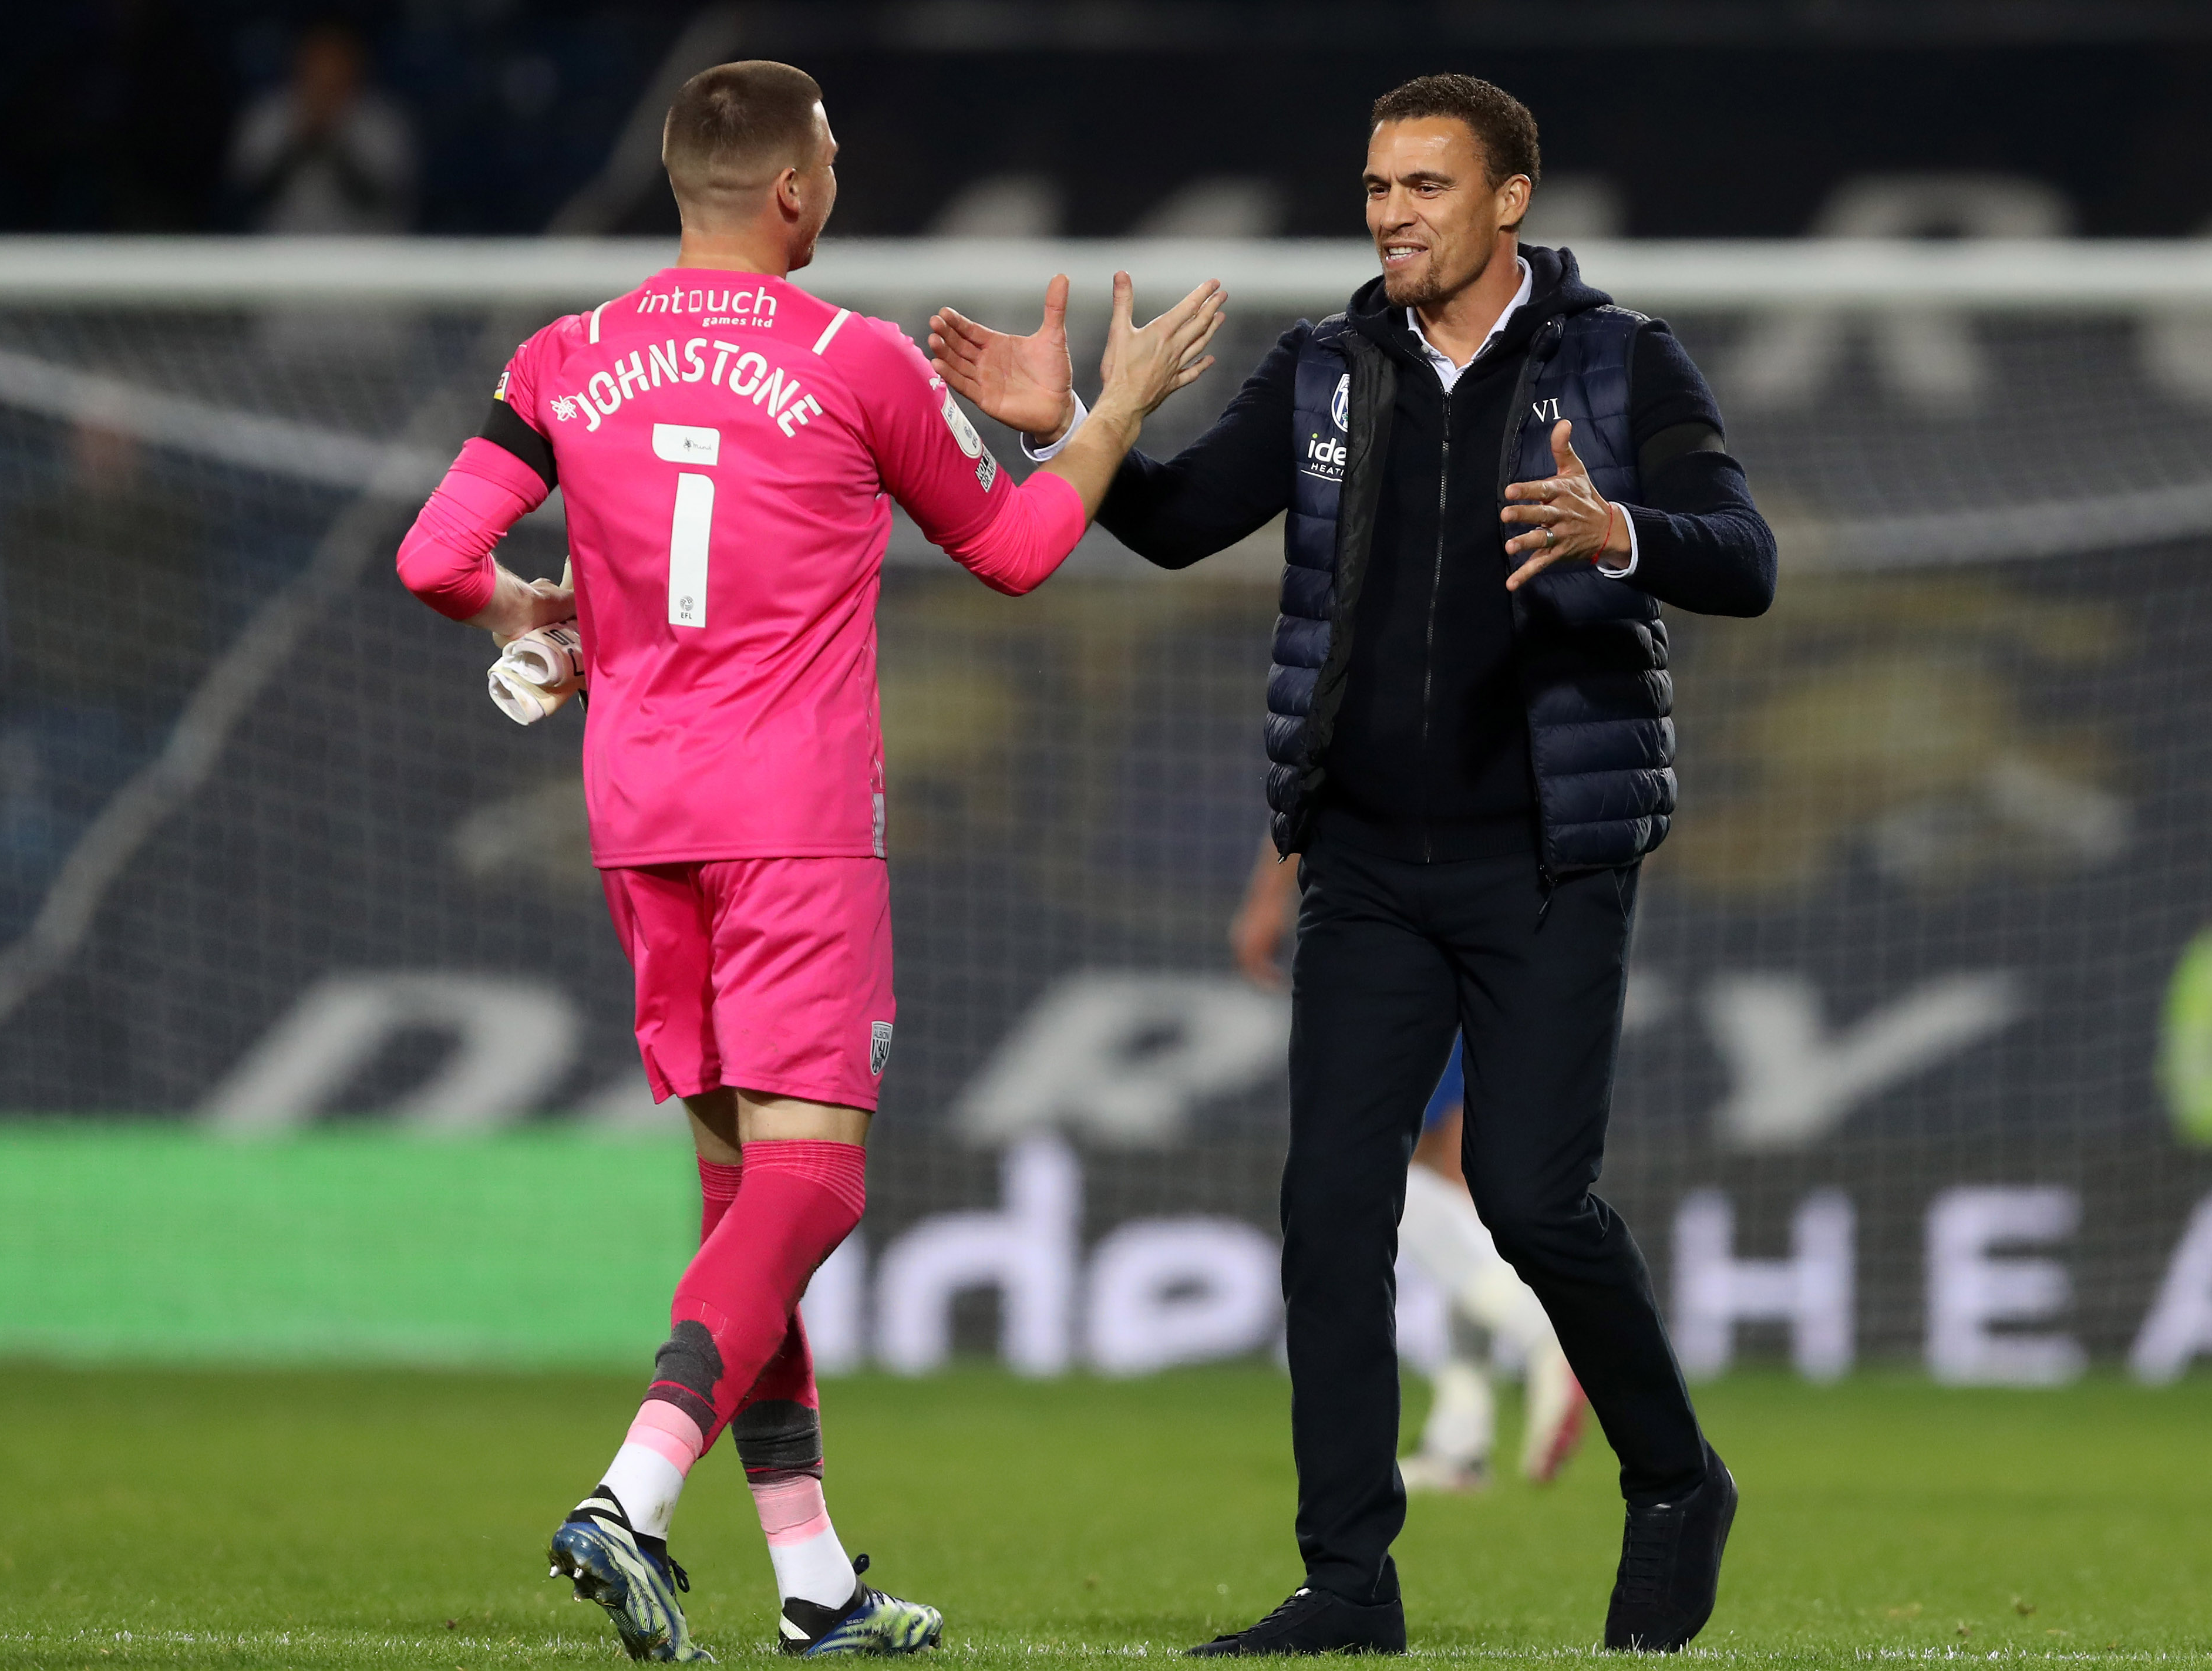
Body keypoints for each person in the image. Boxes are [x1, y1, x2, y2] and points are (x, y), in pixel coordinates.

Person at [931, 72, 1775, 1655]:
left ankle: (1673, 1477)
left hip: (1546, 853)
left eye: (1424, 185)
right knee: (1329, 1206)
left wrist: (1624, 534)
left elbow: (1748, 554)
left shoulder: (1620, 357)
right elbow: (1178, 523)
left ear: (1508, 200)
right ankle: (1348, 1582)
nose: (1389, 209)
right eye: (1376, 184)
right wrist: (1081, 432)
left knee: (1533, 1199)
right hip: (1368, 860)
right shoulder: (1325, 366)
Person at [396, 60, 1224, 1663]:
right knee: (815, 1179)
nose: (836, 174)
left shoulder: (567, 355)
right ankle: (629, 1494)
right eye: (831, 152)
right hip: (791, 819)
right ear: (793, 191)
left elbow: (435, 555)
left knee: (738, 1197)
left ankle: (813, 1578)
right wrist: (1114, 411)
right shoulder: (850, 360)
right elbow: (1020, 552)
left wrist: (525, 612)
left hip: (639, 816)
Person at [1233, 858, 1588, 1494]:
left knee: (1367, 1166)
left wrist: (1268, 895)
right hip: (1501, 918)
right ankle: (1461, 1439)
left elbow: (1314, 766)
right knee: (1455, 1182)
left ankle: (1543, 1331)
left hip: (1409, 916)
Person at [228, 20, 416, 234]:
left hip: (363, 252)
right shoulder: (267, 114)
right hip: (280, 249)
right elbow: (247, 199)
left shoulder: (383, 121)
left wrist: (334, 142)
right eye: (318, 61)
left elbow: (382, 201)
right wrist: (299, 142)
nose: (326, 73)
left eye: (336, 61)